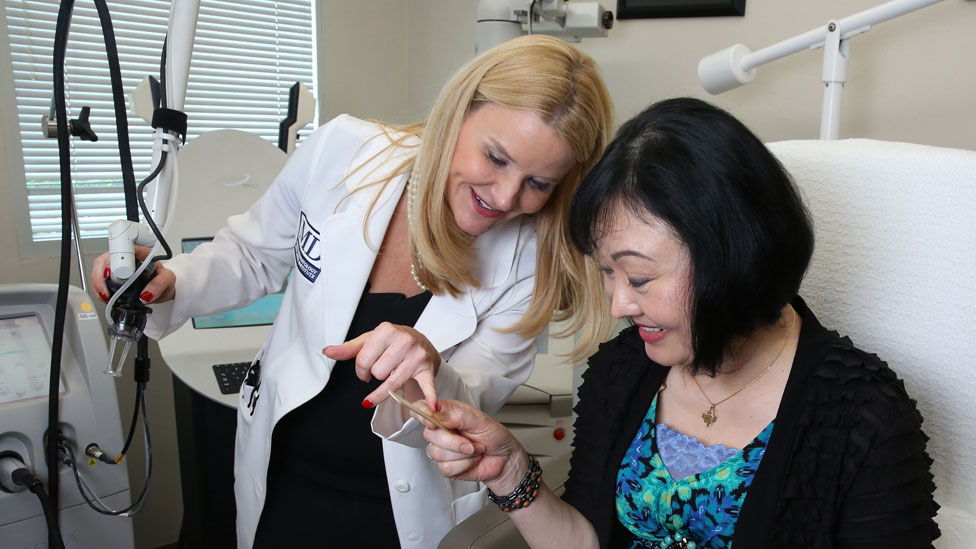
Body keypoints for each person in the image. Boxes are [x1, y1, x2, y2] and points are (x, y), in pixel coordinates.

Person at [90, 35, 615, 548]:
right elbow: (251, 255)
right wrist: (172, 281)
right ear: (458, 114)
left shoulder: (531, 261)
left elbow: (472, 404)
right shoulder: (346, 152)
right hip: (281, 482)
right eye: (496, 158)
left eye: (539, 183)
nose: (505, 197)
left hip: (404, 514)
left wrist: (428, 372)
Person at [420, 97, 941, 548]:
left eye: (641, 279)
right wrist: (513, 471)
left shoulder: (861, 416)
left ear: (733, 259)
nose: (619, 304)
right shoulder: (624, 371)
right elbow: (587, 540)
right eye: (607, 272)